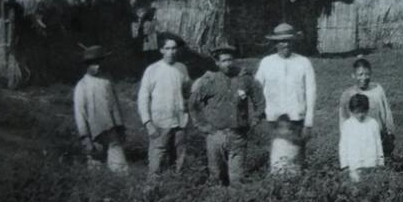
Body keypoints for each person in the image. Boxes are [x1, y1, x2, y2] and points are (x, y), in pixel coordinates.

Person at [189, 44, 264, 186]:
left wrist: (255, 119)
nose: (228, 64)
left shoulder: (244, 79)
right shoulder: (208, 81)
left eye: (230, 60)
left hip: (237, 135)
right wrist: (202, 125)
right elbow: (193, 105)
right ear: (217, 63)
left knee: (237, 178)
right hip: (215, 135)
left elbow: (259, 100)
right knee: (216, 176)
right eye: (223, 61)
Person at [254, 23, 317, 175]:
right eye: (281, 41)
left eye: (288, 40)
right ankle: (277, 189)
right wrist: (259, 112)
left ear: (293, 41)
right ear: (275, 43)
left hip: (296, 118)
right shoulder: (267, 62)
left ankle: (296, 187)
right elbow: (256, 88)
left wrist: (308, 122)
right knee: (277, 158)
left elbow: (311, 92)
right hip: (273, 119)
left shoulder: (303, 62)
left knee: (296, 158)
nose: (285, 44)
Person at [138, 35, 191, 177]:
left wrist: (187, 110)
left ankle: (178, 187)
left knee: (179, 158)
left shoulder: (182, 68)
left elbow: (187, 91)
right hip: (160, 122)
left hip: (180, 121)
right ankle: (152, 190)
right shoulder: (152, 69)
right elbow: (143, 97)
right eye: (167, 48)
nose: (171, 52)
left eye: (174, 48)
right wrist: (148, 122)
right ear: (161, 50)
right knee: (157, 159)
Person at [73, 45, 128, 172]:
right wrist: (85, 137)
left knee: (120, 167)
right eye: (93, 64)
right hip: (95, 134)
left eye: (99, 63)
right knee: (96, 165)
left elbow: (115, 104)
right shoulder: (82, 86)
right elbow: (80, 114)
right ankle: (98, 188)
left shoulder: (107, 80)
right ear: (87, 65)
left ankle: (121, 186)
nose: (97, 66)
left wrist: (120, 127)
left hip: (112, 130)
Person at [338, 56, 395, 157]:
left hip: (379, 138)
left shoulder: (378, 90)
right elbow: (343, 120)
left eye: (367, 74)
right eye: (360, 74)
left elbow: (386, 112)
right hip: (358, 142)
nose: (364, 78)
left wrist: (390, 133)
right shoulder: (347, 94)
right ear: (353, 75)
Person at [339, 94, 385, 182]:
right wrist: (345, 165)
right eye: (357, 112)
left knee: (371, 186)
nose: (360, 115)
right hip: (354, 165)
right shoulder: (347, 125)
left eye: (363, 111)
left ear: (367, 110)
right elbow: (343, 146)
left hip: (371, 164)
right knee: (356, 187)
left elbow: (378, 144)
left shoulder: (373, 123)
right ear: (351, 111)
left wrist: (380, 162)